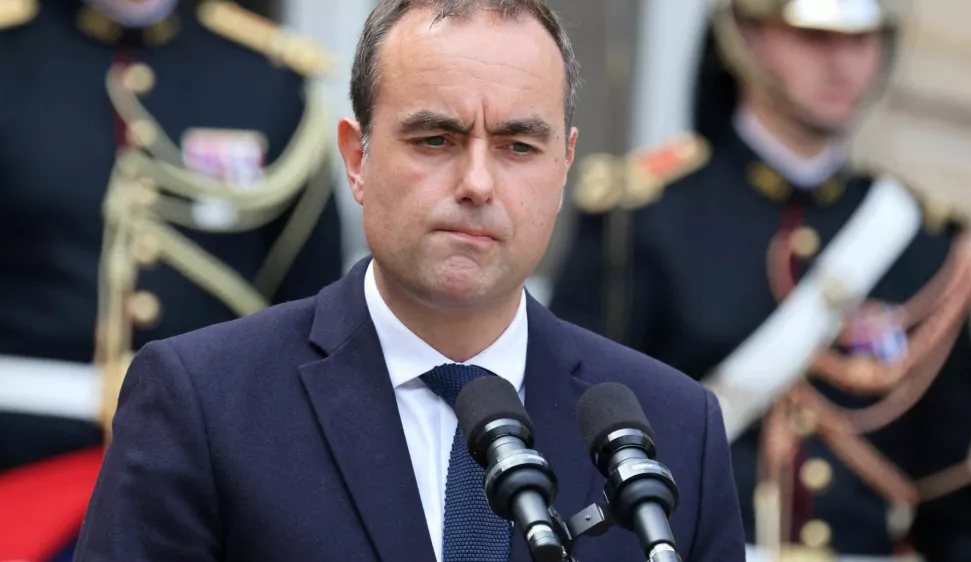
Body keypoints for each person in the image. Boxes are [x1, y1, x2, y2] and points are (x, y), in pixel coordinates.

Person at [73, 1, 746, 560]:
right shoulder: (207, 403)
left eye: (518, 146)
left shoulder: (675, 428)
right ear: (356, 158)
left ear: (564, 165)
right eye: (435, 140)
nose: (477, 183)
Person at [549, 0, 971, 560]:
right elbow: (574, 443)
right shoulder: (641, 219)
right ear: (746, 35)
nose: (844, 66)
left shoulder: (924, 246)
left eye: (862, 42)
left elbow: (945, 496)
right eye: (815, 39)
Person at [0, 0, 342, 559]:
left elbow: (309, 322)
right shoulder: (10, 54)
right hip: (16, 473)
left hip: (202, 480)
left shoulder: (269, 79)